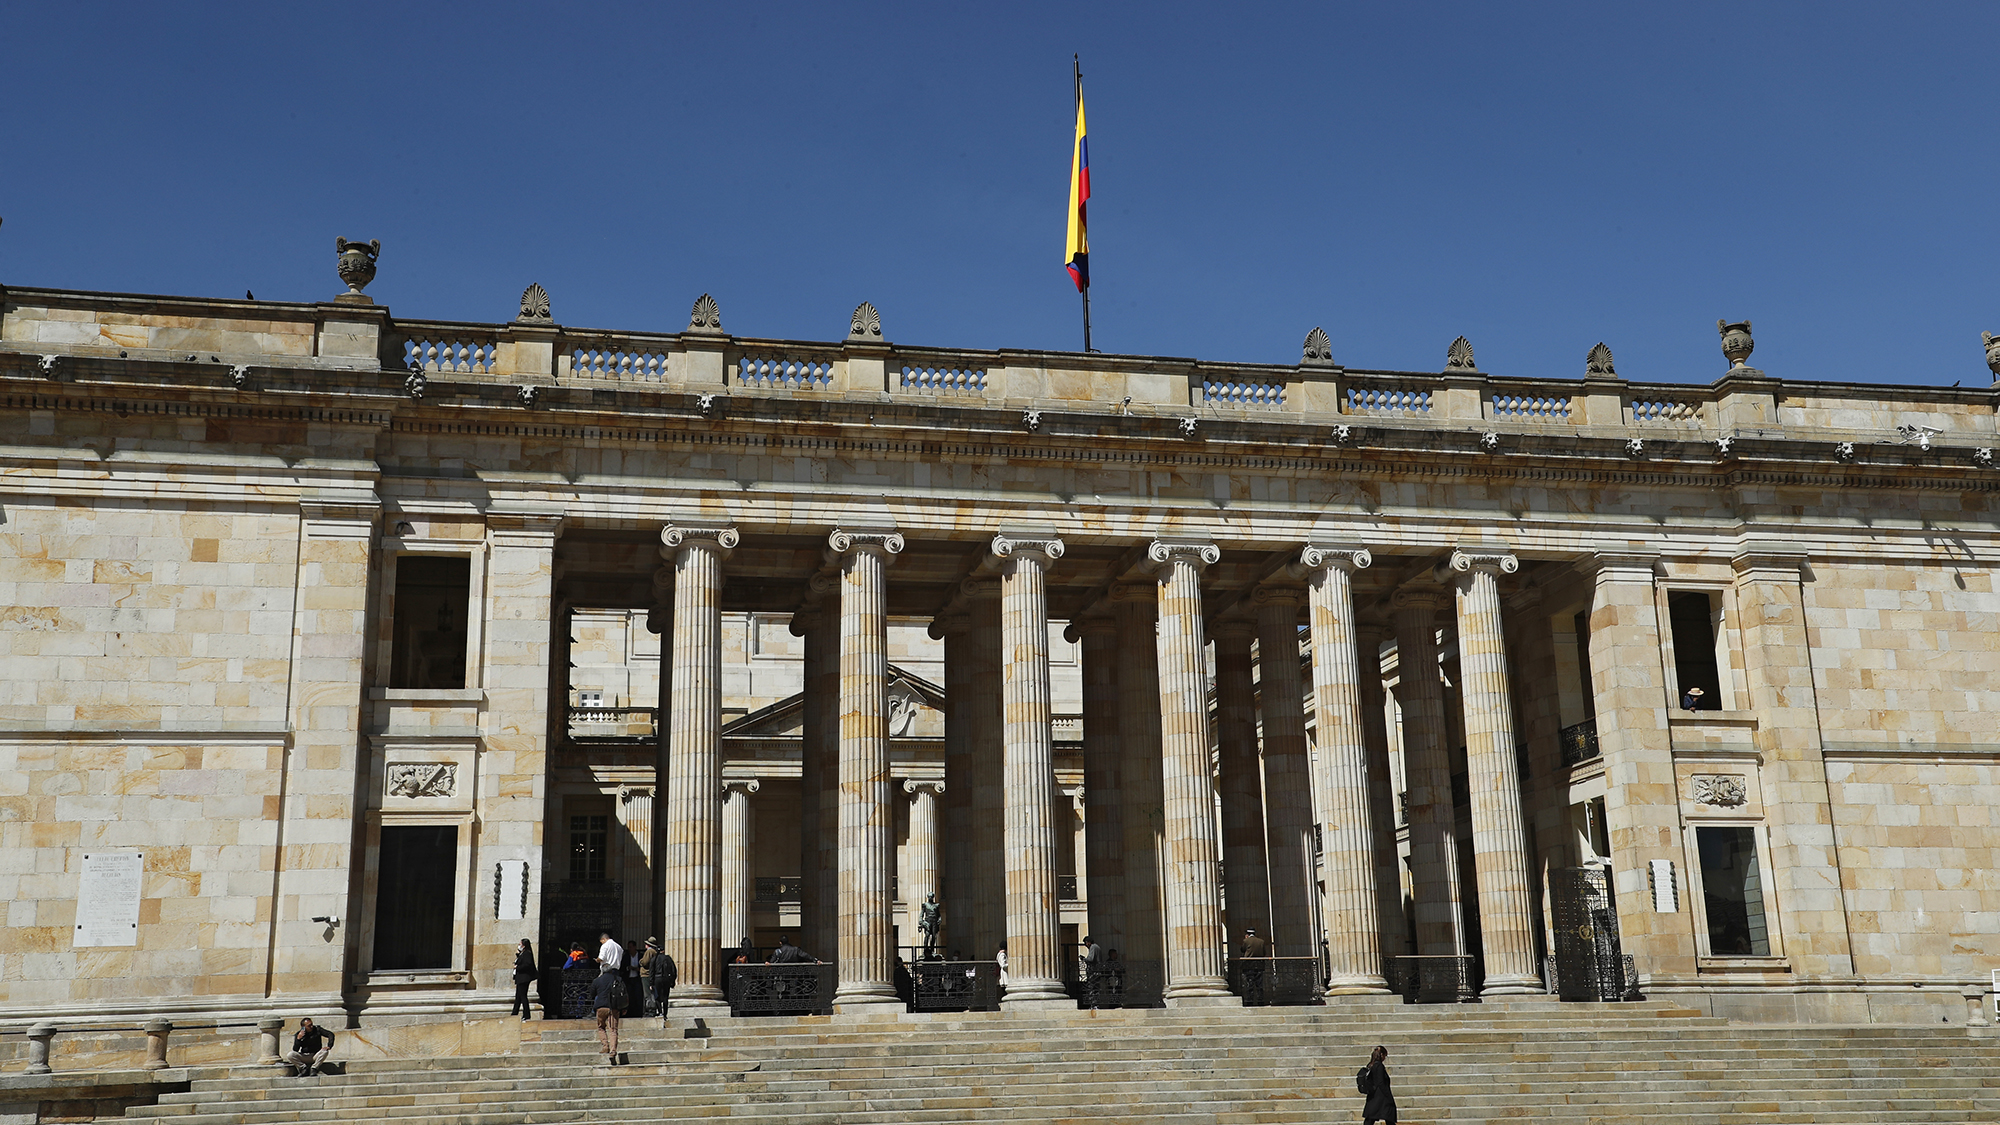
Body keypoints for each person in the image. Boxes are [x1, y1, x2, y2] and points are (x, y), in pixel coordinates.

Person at [591, 965, 624, 1065]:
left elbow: (592, 994)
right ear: (611, 971)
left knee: (601, 1027)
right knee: (613, 1029)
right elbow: (623, 993)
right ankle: (613, 1051)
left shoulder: (597, 980)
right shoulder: (617, 979)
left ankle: (605, 1046)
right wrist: (624, 1007)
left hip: (601, 1007)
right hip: (613, 1007)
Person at [1359, 1044, 1397, 1125]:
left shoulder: (1370, 1065)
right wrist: (1388, 1096)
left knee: (1371, 1119)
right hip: (1381, 1097)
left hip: (1373, 1097)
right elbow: (1381, 1082)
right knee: (1388, 1116)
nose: (1384, 1058)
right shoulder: (1379, 1066)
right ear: (1381, 1055)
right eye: (1385, 1056)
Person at [1239, 927, 1269, 1006]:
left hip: (1249, 965)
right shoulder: (1261, 941)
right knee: (1259, 984)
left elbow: (1242, 949)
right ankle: (1260, 1000)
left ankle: (1250, 1000)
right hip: (1259, 965)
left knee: (1250, 983)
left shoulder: (1246, 941)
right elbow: (1264, 953)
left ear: (1248, 934)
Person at [510, 938, 537, 1021]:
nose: (519, 945)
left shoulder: (527, 954)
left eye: (520, 944)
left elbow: (527, 965)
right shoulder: (523, 953)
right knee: (518, 997)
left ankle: (526, 1014)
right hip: (520, 978)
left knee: (523, 996)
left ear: (524, 945)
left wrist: (517, 967)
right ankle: (514, 1013)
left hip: (524, 978)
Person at [1078, 935, 1103, 1010]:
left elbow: (1091, 959)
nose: (1086, 945)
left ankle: (1094, 1005)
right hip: (1097, 971)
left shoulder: (1093, 947)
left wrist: (1084, 959)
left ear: (1088, 942)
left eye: (1085, 943)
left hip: (1094, 971)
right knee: (1096, 988)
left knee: (1092, 988)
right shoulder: (1096, 947)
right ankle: (1095, 1004)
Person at [917, 892, 943, 958]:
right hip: (928, 921)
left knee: (934, 936)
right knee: (927, 935)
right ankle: (925, 950)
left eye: (931, 897)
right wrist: (921, 922)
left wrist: (939, 919)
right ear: (928, 897)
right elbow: (921, 914)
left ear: (933, 897)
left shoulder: (936, 906)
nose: (930, 898)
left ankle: (932, 950)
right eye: (929, 897)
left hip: (934, 922)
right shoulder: (925, 905)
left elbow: (938, 915)